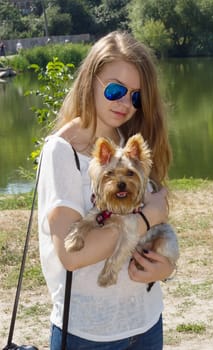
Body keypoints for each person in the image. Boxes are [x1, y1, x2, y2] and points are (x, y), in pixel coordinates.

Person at [38, 31, 174, 350]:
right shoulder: (61, 152)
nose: (126, 104)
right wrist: (146, 216)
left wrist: (165, 266)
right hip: (88, 335)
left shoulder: (132, 145)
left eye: (136, 96)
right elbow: (73, 255)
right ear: (91, 81)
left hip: (147, 322)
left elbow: (157, 234)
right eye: (115, 90)